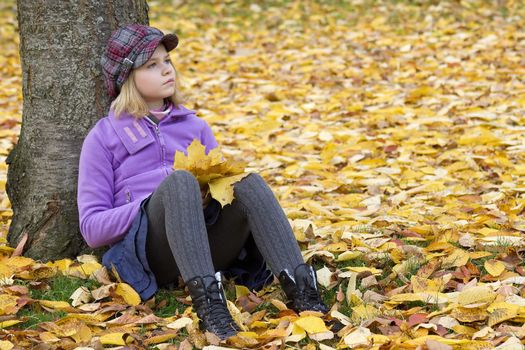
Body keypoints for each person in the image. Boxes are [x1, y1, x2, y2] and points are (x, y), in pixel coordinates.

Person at [77, 23, 328, 340]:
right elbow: (91, 227)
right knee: (179, 182)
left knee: (244, 180)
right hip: (150, 257)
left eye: (167, 61)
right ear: (127, 78)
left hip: (206, 244)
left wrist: (211, 193)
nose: (167, 70)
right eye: (152, 65)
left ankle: (306, 296)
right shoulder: (103, 137)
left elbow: (225, 188)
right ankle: (212, 310)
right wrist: (150, 205)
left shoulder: (195, 126)